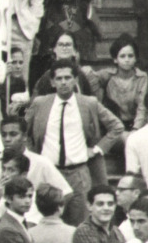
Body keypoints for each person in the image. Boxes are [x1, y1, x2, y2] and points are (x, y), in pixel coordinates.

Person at [27, 60, 126, 218]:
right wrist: (34, 157)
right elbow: (24, 131)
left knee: (81, 221)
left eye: (68, 77)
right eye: (59, 78)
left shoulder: (88, 103)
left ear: (75, 80)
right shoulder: (41, 103)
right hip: (50, 173)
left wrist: (97, 149)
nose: (64, 82)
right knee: (49, 220)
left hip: (78, 173)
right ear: (52, 82)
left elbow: (116, 126)